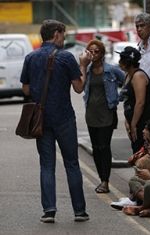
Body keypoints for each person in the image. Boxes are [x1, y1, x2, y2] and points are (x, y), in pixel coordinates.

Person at [20, 19, 91, 223]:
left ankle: (49, 211)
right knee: (72, 164)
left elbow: (25, 89)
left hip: (40, 120)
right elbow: (78, 88)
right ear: (57, 34)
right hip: (64, 118)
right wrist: (83, 65)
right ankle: (79, 211)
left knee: (46, 165)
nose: (64, 38)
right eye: (64, 34)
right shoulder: (67, 57)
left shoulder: (30, 57)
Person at [83, 39, 124, 194]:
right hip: (91, 114)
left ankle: (105, 181)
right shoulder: (87, 70)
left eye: (96, 51)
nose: (93, 54)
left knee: (104, 147)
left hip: (107, 114)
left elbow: (128, 80)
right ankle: (101, 179)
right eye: (90, 51)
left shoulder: (111, 70)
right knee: (96, 148)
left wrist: (119, 98)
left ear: (102, 53)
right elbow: (80, 86)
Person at [119, 46, 150, 153]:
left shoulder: (138, 76)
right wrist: (127, 121)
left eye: (121, 59)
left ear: (127, 62)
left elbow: (140, 103)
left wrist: (133, 124)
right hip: (134, 121)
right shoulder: (128, 75)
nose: (119, 61)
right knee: (137, 153)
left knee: (144, 153)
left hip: (144, 121)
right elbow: (128, 100)